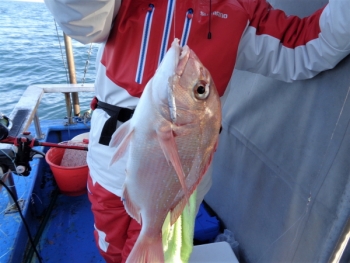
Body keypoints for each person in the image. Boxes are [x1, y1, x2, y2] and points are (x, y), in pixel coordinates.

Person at [44, 0, 350, 262]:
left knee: (159, 251)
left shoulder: (242, 8)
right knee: (109, 247)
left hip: (175, 186)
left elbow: (304, 46)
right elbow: (81, 20)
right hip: (107, 164)